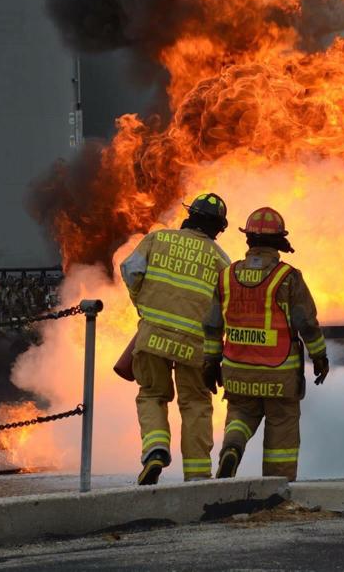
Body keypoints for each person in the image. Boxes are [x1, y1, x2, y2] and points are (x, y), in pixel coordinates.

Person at [204, 207, 329, 481]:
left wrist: (210, 362)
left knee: (239, 416)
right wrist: (319, 355)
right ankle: (276, 485)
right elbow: (306, 322)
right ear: (279, 242)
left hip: (237, 370)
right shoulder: (288, 277)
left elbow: (213, 324)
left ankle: (232, 449)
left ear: (248, 240)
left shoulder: (226, 275)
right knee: (281, 429)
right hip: (280, 374)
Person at [120, 193, 230, 484]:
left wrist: (140, 302)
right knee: (195, 404)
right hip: (195, 347)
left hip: (151, 337)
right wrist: (217, 354)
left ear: (189, 216)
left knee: (153, 395)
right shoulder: (221, 260)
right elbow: (226, 309)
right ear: (219, 228)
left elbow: (130, 270)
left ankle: (155, 450)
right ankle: (197, 476)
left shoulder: (157, 240)